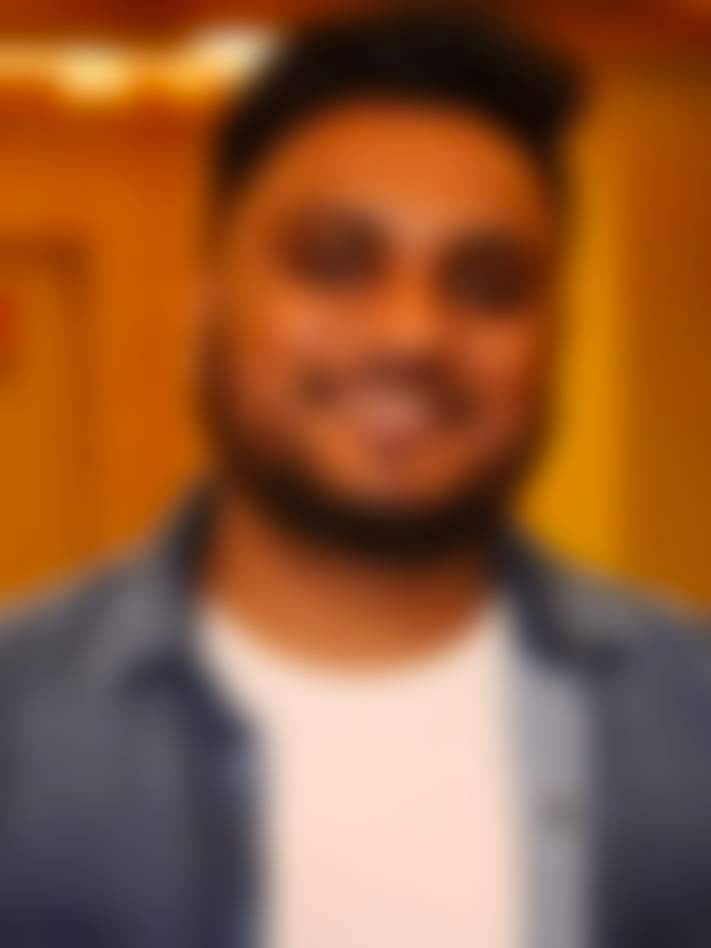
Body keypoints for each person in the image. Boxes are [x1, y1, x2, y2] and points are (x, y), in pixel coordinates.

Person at [1, 11, 710, 948]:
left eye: (487, 284)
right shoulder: (22, 731)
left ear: (551, 341)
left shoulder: (688, 723)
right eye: (335, 265)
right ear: (206, 310)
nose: (410, 334)